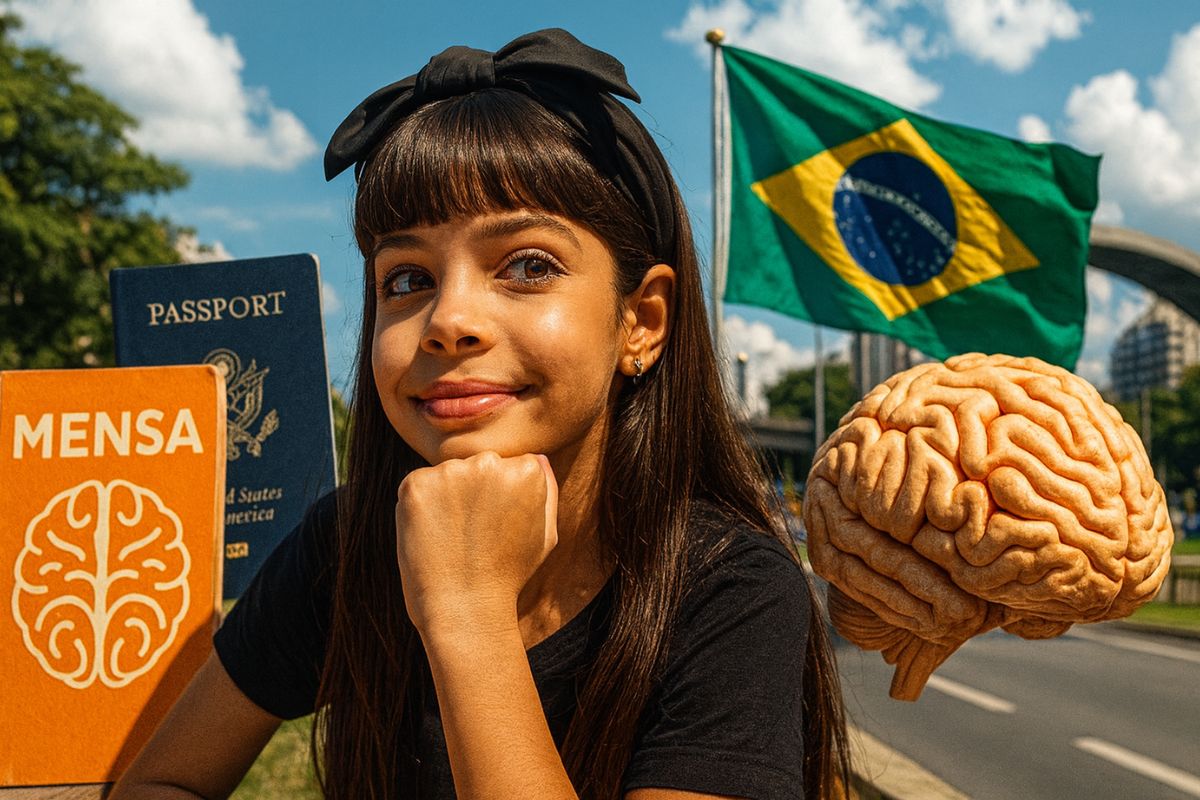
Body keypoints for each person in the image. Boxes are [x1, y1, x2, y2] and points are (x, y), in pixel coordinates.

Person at [111, 28, 849, 800]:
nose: (447, 319)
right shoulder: (348, 543)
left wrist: (466, 612)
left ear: (643, 321)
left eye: (528, 266)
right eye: (405, 279)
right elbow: (163, 782)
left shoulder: (731, 589)